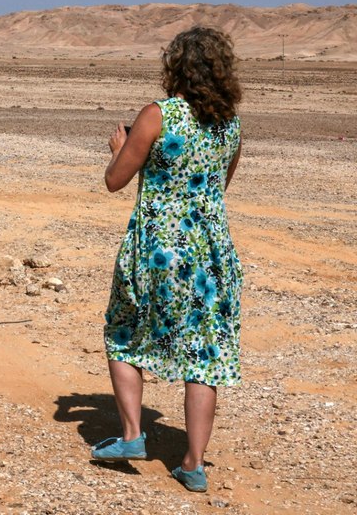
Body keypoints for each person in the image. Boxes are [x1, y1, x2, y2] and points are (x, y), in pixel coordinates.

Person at [93, 26, 244, 495]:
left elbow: (116, 180)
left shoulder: (158, 116)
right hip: (212, 255)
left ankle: (134, 436)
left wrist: (121, 150)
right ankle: (194, 464)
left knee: (123, 332)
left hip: (157, 251)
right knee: (204, 357)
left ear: (175, 65)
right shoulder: (230, 124)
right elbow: (218, 188)